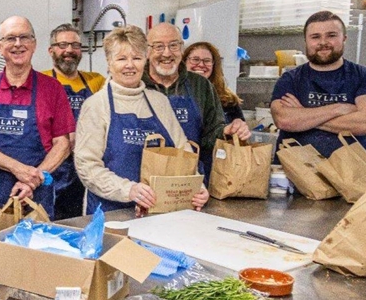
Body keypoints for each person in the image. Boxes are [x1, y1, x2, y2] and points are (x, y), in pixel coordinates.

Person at [75, 26, 209, 214]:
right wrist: (128, 190)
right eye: (122, 59)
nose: (130, 65)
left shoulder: (159, 102)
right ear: (109, 62)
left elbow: (182, 152)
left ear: (145, 60)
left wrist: (195, 185)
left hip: (158, 212)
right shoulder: (96, 105)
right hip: (109, 214)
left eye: (136, 58)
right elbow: (87, 166)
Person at [0, 16, 73, 231]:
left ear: (34, 45)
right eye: (10, 38)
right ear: (0, 47)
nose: (18, 44)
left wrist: (32, 180)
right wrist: (20, 170)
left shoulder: (53, 89)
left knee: (36, 260)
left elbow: (63, 144)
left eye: (24, 37)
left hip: (37, 194)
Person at [143, 23, 250, 179]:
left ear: (181, 49)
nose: (166, 53)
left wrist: (225, 131)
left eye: (173, 45)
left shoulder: (200, 85)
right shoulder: (136, 85)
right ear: (147, 51)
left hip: (189, 179)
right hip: (142, 181)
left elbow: (210, 135)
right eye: (158, 46)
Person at [271, 10, 366, 157]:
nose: (323, 42)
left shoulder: (364, 76)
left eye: (331, 35)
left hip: (350, 173)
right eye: (315, 37)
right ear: (306, 41)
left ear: (344, 38)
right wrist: (339, 108)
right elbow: (284, 120)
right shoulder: (290, 79)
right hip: (295, 170)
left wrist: (303, 115)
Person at [47, 23, 106, 219]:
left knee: (80, 219)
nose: (69, 50)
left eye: (75, 45)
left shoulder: (96, 81)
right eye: (63, 45)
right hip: (54, 163)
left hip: (86, 162)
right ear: (51, 50)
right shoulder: (43, 80)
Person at [182, 42, 245, 123]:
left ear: (214, 65)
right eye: (195, 59)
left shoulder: (228, 100)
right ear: (184, 62)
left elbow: (239, 132)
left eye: (207, 61)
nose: (201, 64)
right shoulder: (173, 94)